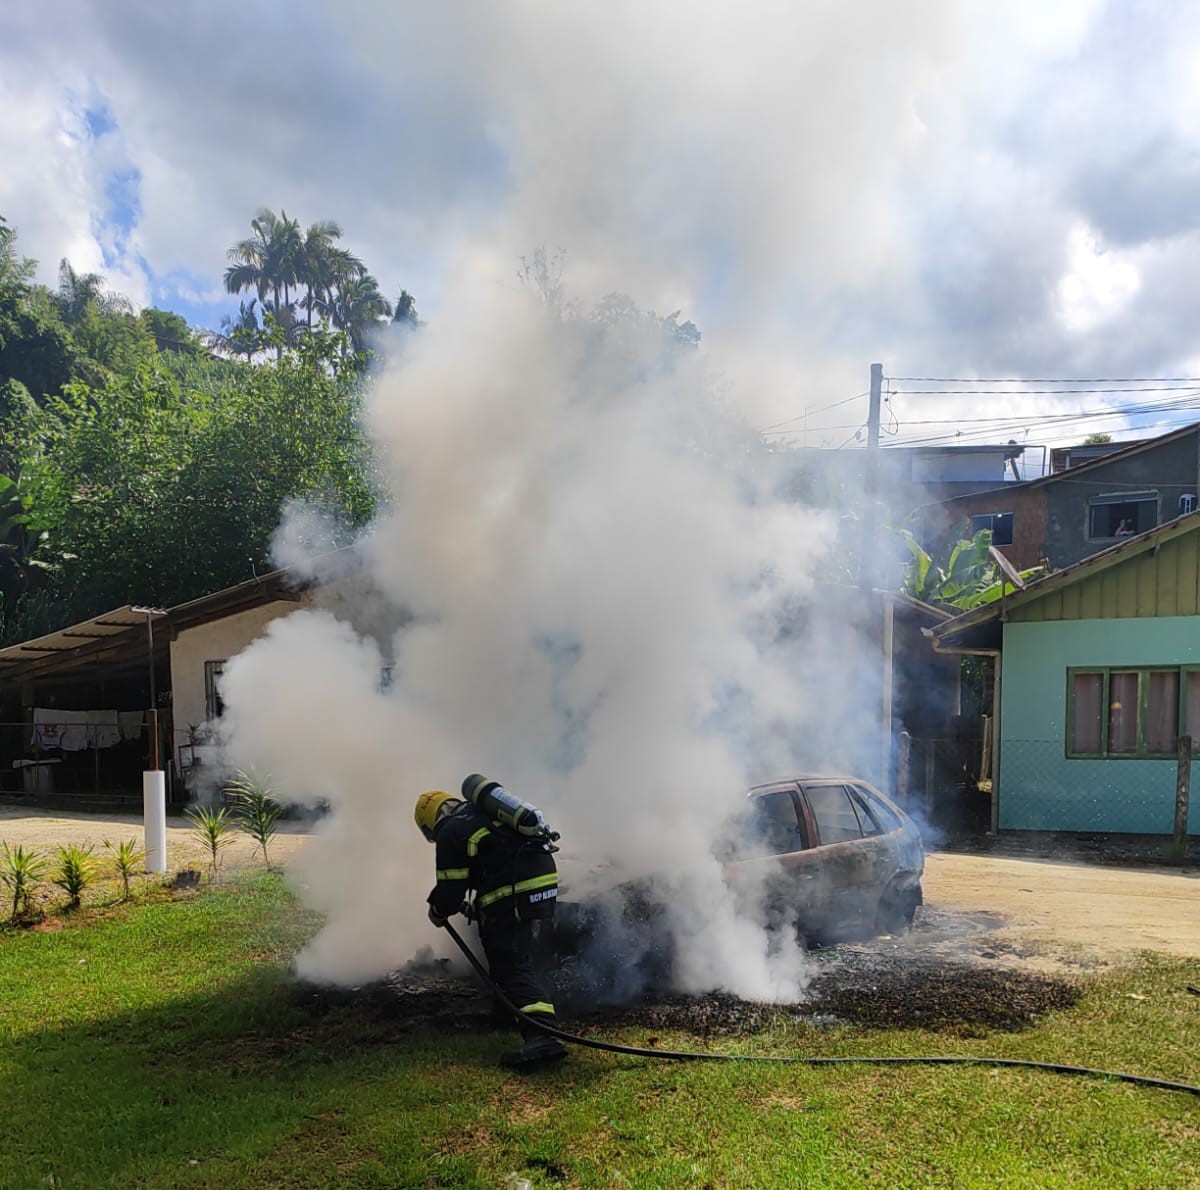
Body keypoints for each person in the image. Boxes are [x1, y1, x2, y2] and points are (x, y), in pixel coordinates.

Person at [414, 786, 568, 1069]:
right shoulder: (485, 813)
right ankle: (511, 1012)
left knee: (509, 963)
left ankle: (543, 1034)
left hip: (513, 888)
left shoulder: (449, 831)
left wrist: (437, 911)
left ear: (429, 823)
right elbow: (489, 862)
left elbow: (450, 891)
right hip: (542, 878)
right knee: (518, 953)